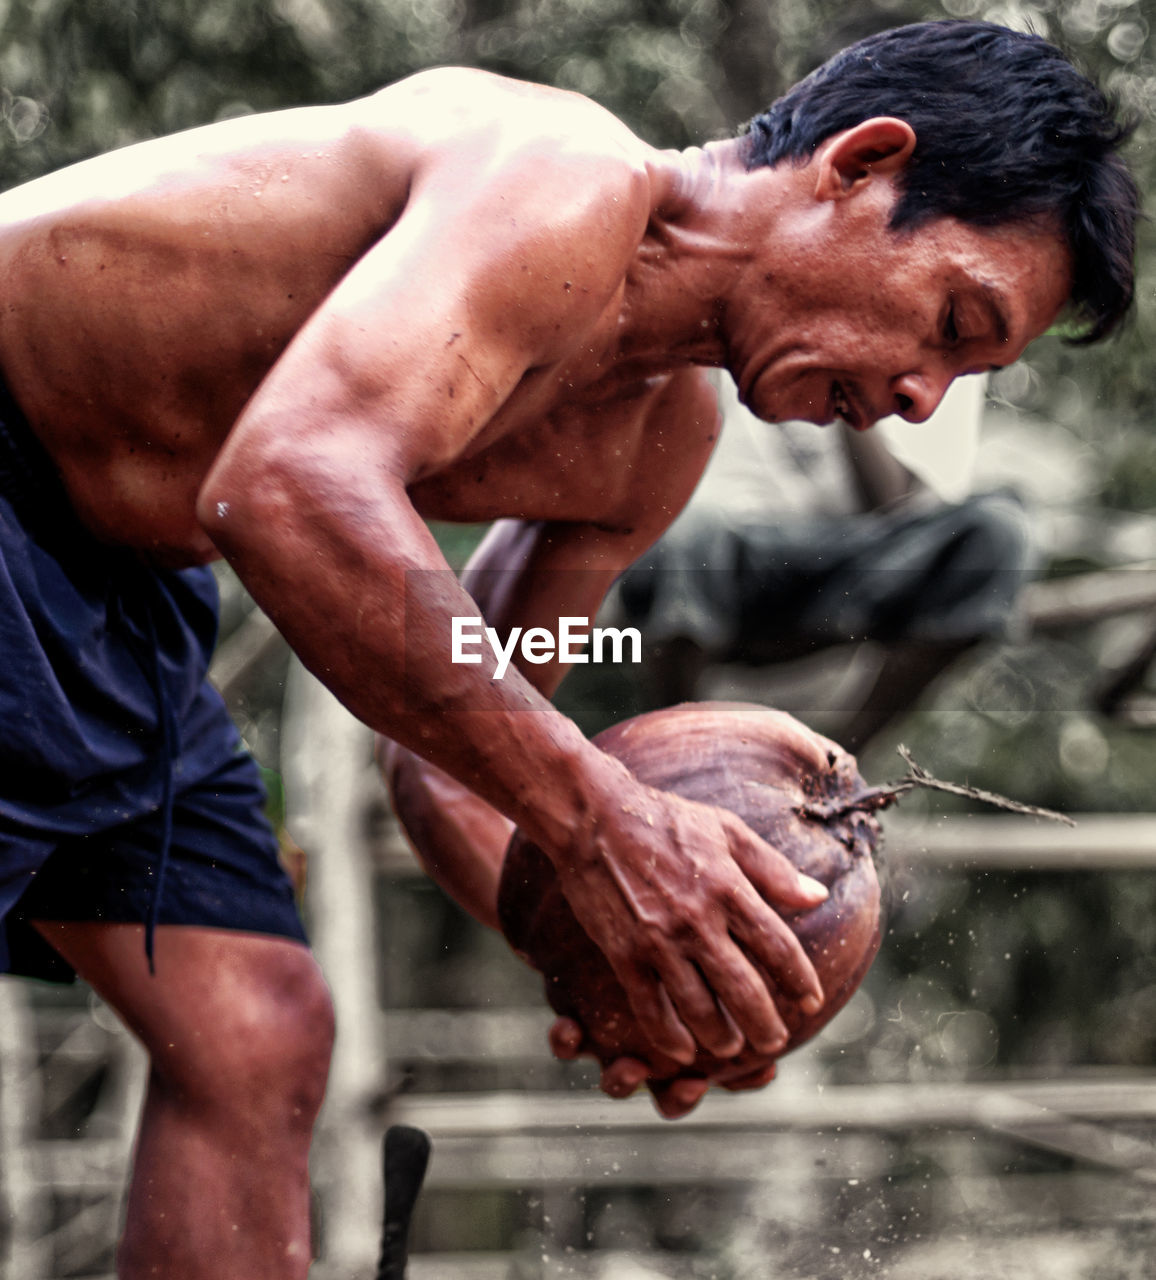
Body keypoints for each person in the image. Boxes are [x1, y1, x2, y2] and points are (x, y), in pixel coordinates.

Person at [0, 18, 1136, 1278]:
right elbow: (285, 485)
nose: (926, 397)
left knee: (255, 1030)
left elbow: (462, 742)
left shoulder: (650, 449)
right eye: (950, 319)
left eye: (967, 372)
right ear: (859, 166)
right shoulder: (561, 178)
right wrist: (607, 826)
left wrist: (634, 948)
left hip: (118, 585)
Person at [614, 373, 1038, 748]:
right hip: (718, 564)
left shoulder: (947, 335)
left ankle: (843, 759)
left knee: (997, 533)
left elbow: (900, 506)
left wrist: (850, 382)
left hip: (845, 574)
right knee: (688, 535)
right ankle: (672, 748)